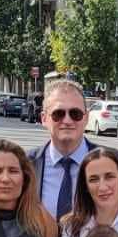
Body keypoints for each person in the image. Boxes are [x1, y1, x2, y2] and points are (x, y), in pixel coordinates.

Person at [29, 78, 96, 220]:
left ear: (86, 118)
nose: (67, 120)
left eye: (75, 114)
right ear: (44, 118)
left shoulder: (113, 162)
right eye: (58, 114)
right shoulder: (26, 164)